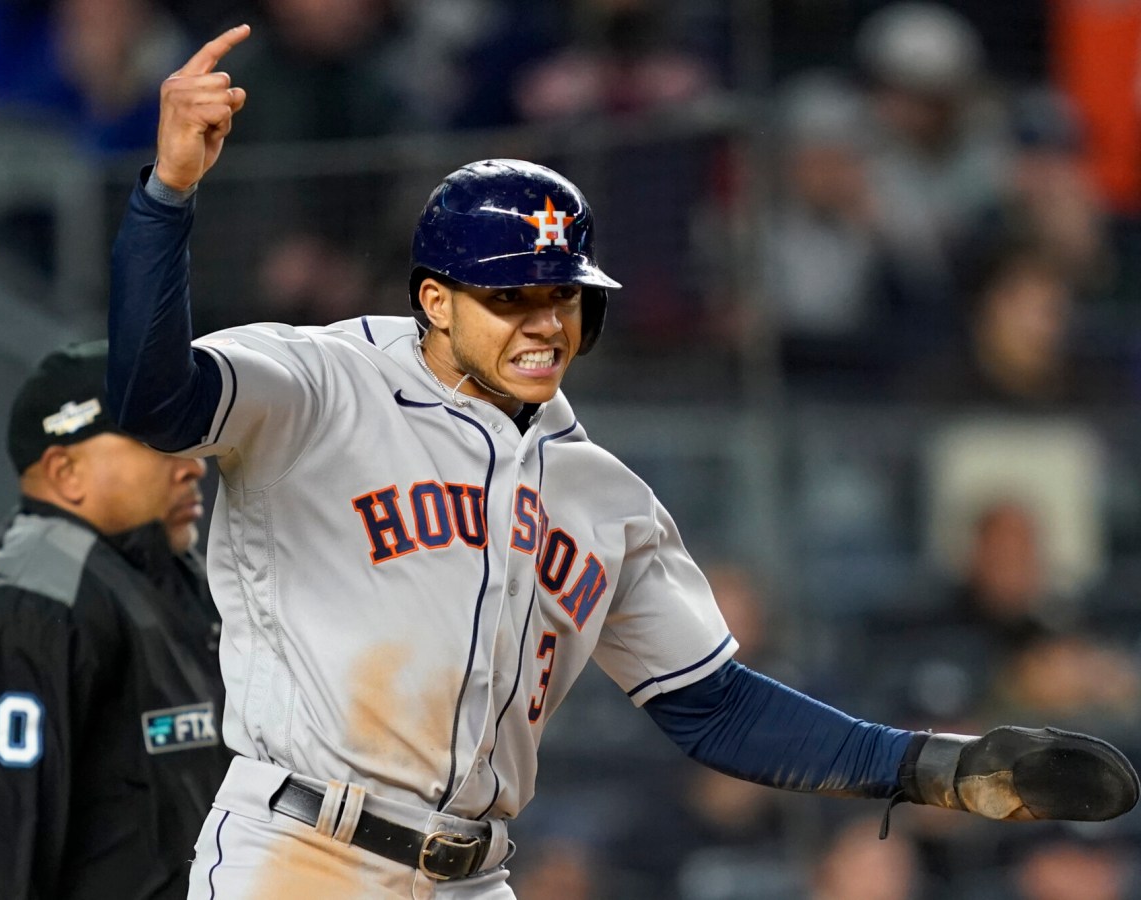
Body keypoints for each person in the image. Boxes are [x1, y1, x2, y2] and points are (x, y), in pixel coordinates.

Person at [106, 26, 1140, 898]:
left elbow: (715, 705)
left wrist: (932, 767)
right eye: (510, 295)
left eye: (562, 294)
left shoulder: (600, 494)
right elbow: (155, 401)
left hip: (471, 872)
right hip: (304, 851)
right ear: (435, 301)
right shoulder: (318, 383)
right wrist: (168, 194)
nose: (543, 321)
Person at [0, 340, 231, 899]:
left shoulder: (174, 578)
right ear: (66, 471)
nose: (194, 466)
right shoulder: (23, 607)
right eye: (159, 441)